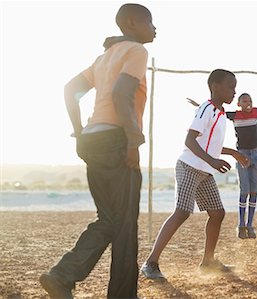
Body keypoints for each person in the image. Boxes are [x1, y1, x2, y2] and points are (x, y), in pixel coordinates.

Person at [39, 4, 156, 298]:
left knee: (109, 219)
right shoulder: (136, 51)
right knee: (124, 225)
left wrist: (80, 133)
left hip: (94, 140)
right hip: (117, 141)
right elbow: (121, 93)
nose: (155, 28)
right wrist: (133, 140)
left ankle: (61, 277)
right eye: (150, 22)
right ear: (131, 23)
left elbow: (70, 90)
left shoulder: (103, 58)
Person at [141, 69, 249, 280]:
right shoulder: (206, 109)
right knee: (182, 211)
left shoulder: (219, 115)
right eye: (230, 87)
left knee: (217, 214)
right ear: (215, 87)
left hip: (205, 171)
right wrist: (213, 161)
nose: (234, 92)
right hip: (189, 166)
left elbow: (211, 145)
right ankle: (150, 262)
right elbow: (190, 141)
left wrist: (233, 153)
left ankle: (208, 262)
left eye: (235, 88)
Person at [188, 93, 257, 239]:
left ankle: (250, 225)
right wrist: (198, 105)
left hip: (256, 155)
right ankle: (241, 226)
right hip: (241, 154)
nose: (248, 103)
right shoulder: (234, 115)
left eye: (250, 100)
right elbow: (215, 111)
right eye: (244, 101)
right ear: (239, 104)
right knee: (244, 191)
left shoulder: (256, 112)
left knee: (254, 191)